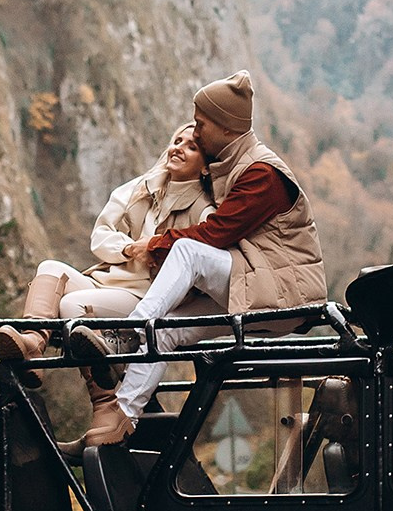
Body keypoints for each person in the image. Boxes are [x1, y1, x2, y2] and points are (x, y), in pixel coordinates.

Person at [65, 70, 326, 446]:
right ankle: (120, 421)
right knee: (167, 330)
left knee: (187, 251)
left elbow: (215, 235)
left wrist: (153, 245)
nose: (196, 133)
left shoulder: (262, 174)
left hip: (282, 291)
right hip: (251, 281)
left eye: (201, 125)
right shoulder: (234, 164)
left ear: (226, 129)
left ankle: (129, 330)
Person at [0, 123, 213, 360]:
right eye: (177, 141)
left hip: (144, 296)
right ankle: (34, 343)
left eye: (191, 147)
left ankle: (105, 396)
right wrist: (128, 248)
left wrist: (156, 251)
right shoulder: (143, 187)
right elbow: (99, 236)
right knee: (49, 268)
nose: (178, 148)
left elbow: (199, 261)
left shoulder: (203, 211)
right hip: (107, 280)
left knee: (71, 305)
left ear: (205, 167)